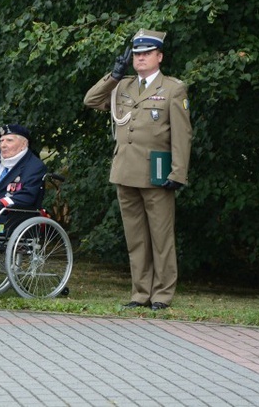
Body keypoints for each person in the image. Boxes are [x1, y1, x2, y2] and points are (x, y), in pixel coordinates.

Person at [83, 29, 192, 311]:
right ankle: (140, 292)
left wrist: (178, 172)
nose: (140, 58)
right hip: (125, 171)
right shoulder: (123, 86)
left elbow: (182, 134)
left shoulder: (172, 88)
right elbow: (91, 100)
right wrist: (114, 75)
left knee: (161, 237)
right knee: (135, 238)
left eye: (146, 54)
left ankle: (162, 294)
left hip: (157, 172)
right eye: (137, 54)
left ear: (159, 56)